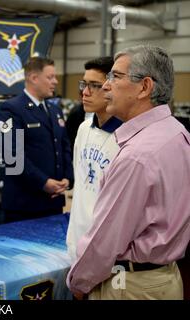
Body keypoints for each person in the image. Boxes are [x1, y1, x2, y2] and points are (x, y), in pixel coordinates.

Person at [67, 45, 190, 300]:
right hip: (164, 276)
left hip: (130, 285)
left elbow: (105, 242)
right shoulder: (178, 134)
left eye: (115, 77)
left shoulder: (137, 155)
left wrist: (78, 284)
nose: (107, 86)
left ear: (144, 87)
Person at [0, 57, 73, 222]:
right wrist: (43, 182)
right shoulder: (10, 109)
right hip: (24, 205)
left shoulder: (54, 110)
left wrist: (68, 177)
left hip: (53, 202)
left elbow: (64, 146)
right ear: (33, 78)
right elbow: (12, 155)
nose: (55, 81)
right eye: (50, 77)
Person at [65, 56, 122, 262]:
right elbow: (80, 188)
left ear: (112, 88)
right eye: (84, 84)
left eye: (94, 86)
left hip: (106, 252)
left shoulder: (127, 138)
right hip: (77, 240)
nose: (85, 92)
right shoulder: (82, 129)